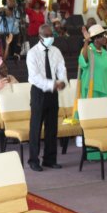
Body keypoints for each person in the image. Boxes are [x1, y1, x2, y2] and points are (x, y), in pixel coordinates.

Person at [26, 24, 68, 172]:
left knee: (52, 127)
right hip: (39, 92)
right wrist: (52, 84)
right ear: (40, 36)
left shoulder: (56, 51)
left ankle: (50, 159)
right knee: (36, 127)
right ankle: (33, 160)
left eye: (52, 35)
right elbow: (34, 77)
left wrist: (62, 81)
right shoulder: (32, 53)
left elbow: (61, 68)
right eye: (48, 36)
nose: (51, 38)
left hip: (53, 93)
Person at [79, 24, 107, 160]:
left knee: (105, 122)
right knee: (94, 123)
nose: (105, 38)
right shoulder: (88, 49)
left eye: (105, 36)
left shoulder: (104, 52)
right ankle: (93, 154)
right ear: (96, 39)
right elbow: (83, 62)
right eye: (102, 36)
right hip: (91, 91)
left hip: (104, 91)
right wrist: (86, 42)